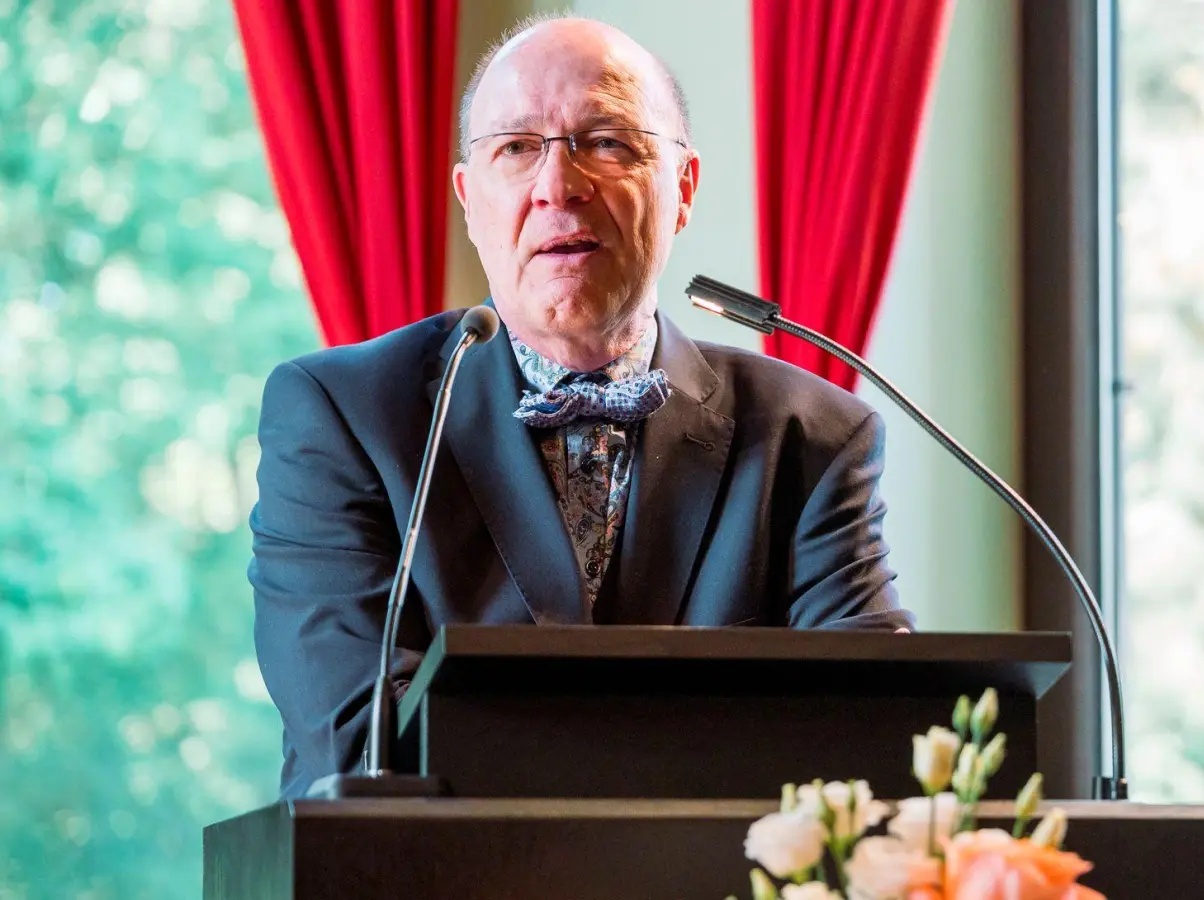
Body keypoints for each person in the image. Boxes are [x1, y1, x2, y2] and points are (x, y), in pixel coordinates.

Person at [247, 16, 914, 799]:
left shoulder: (815, 437)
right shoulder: (342, 415)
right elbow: (355, 742)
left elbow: (875, 731)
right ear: (470, 198)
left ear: (684, 189)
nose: (558, 188)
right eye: (516, 148)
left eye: (607, 141)